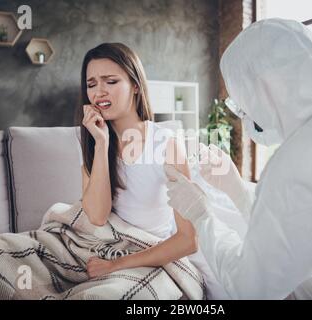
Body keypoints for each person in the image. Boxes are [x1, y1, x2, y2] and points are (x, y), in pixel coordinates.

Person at [164, 18, 312, 299]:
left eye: (241, 102)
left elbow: (251, 288)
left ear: (264, 86)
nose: (243, 115)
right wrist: (237, 189)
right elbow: (293, 239)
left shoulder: (303, 157)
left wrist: (201, 215)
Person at [75, 42, 228, 299]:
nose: (99, 91)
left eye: (110, 81)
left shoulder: (165, 143)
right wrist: (101, 145)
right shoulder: (94, 141)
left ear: (135, 85)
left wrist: (116, 265)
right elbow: (97, 217)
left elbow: (188, 240)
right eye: (91, 84)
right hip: (102, 242)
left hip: (146, 250)